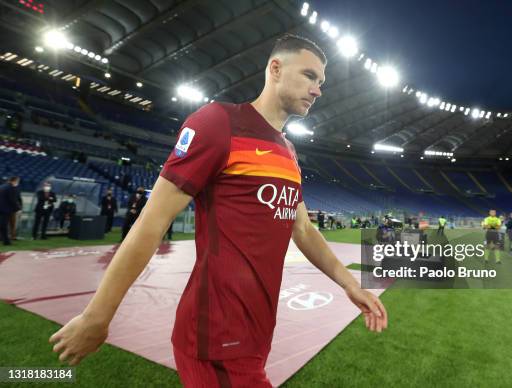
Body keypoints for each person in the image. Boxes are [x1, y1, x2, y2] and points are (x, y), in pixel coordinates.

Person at [50, 34, 387, 386]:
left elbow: (301, 229)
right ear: (275, 68)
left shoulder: (288, 151)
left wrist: (350, 284)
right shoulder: (217, 123)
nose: (317, 89)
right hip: (217, 336)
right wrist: (98, 316)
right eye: (308, 76)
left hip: (256, 330)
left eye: (320, 82)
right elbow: (153, 221)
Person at [0, 177, 21, 245]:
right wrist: (18, 209)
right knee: (4, 225)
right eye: (18, 181)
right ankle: (6, 241)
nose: (18, 183)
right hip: (6, 209)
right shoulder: (11, 188)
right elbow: (12, 200)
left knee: (2, 225)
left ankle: (3, 238)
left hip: (1, 208)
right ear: (14, 181)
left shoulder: (2, 186)